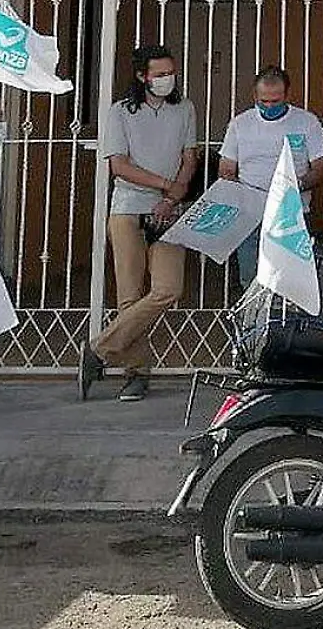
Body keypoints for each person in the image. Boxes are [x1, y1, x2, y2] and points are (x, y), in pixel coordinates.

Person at [79, 45, 198, 403]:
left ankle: (98, 350)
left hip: (169, 211)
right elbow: (119, 165)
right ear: (142, 76)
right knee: (129, 296)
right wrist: (166, 186)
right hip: (129, 208)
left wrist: (172, 198)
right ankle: (136, 374)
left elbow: (189, 157)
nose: (167, 79)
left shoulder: (185, 108)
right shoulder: (120, 112)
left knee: (168, 288)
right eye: (159, 74)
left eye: (170, 72)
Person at [219, 65, 323, 288]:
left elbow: (320, 169)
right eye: (264, 101)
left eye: (275, 101)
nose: (269, 106)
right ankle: (252, 322)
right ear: (255, 96)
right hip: (251, 214)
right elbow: (226, 168)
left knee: (291, 280)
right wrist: (239, 192)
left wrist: (294, 184)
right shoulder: (240, 124)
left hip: (293, 213)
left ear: (288, 95)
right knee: (251, 279)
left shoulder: (307, 122)